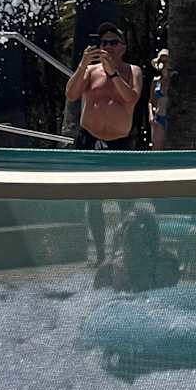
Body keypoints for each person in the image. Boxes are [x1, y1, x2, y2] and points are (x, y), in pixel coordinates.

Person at [65, 22, 143, 263]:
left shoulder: (133, 71)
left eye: (113, 42)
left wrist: (113, 73)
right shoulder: (90, 71)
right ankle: (100, 252)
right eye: (104, 43)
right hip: (90, 138)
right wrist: (82, 65)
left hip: (120, 141)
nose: (107, 46)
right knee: (93, 199)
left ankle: (122, 251)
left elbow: (131, 98)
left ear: (123, 47)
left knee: (124, 199)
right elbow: (71, 94)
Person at [149, 47, 171, 151]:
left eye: (166, 61)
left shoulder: (175, 81)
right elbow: (151, 101)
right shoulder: (155, 81)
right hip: (158, 118)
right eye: (161, 61)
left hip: (172, 118)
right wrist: (151, 116)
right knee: (157, 149)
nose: (164, 64)